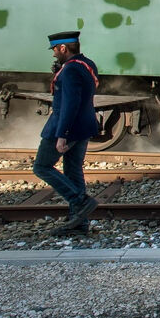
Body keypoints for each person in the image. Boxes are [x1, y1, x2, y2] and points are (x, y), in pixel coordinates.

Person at [32, 31, 100, 236]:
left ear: (63, 48)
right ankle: (79, 223)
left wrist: (63, 134)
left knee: (42, 167)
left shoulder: (70, 70)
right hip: (84, 126)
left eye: (55, 49)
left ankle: (79, 202)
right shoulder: (87, 64)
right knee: (73, 170)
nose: (54, 54)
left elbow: (70, 104)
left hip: (65, 127)